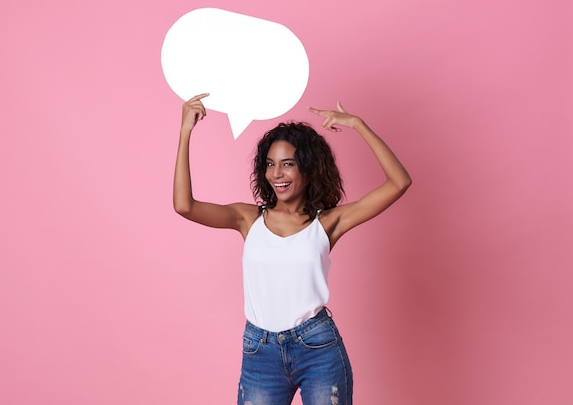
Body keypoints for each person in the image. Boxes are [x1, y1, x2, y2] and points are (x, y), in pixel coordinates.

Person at [173, 93, 411, 405]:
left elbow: (399, 183)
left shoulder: (327, 223)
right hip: (260, 351)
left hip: (317, 348)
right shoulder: (247, 218)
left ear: (309, 168)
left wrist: (358, 124)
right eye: (271, 164)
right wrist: (185, 132)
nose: (277, 174)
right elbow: (184, 206)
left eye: (288, 164)